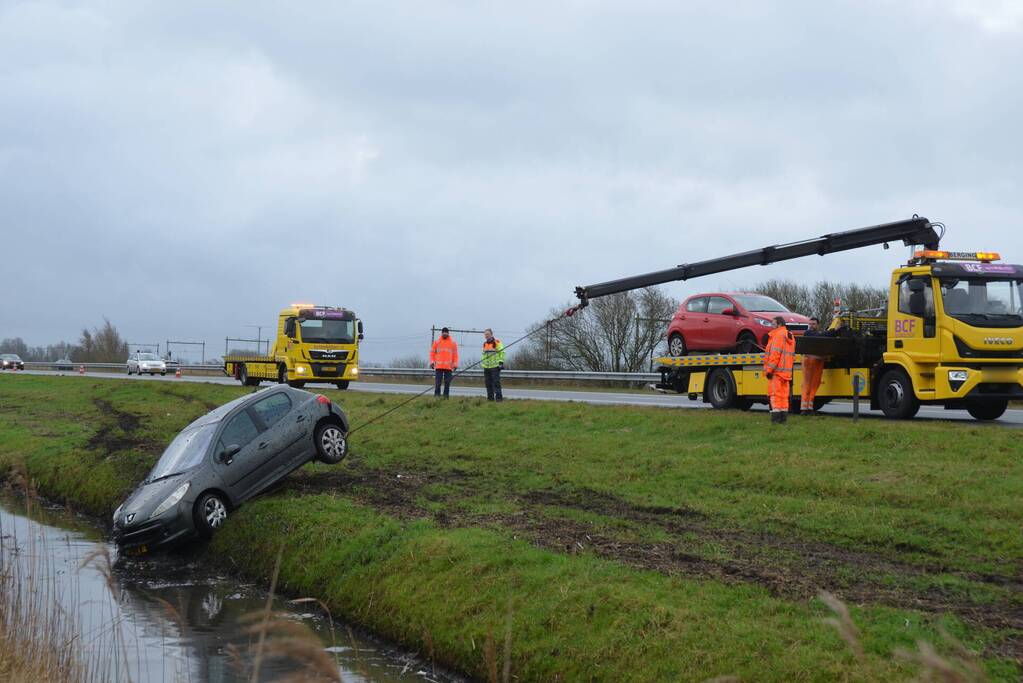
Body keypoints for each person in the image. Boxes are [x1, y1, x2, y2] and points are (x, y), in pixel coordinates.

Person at [763, 316, 795, 424]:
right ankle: (783, 419)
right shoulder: (789, 336)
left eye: (773, 324)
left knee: (775, 396)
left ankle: (776, 420)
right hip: (786, 373)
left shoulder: (778, 336)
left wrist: (769, 370)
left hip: (776, 372)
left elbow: (775, 355)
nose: (771, 326)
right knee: (783, 397)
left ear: (779, 324)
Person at [430, 327, 459, 398]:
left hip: (449, 367)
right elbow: (432, 353)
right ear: (442, 333)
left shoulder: (453, 343)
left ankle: (446, 396)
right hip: (439, 366)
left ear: (448, 334)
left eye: (446, 333)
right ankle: (437, 395)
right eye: (443, 333)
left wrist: (455, 364)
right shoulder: (437, 342)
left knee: (447, 383)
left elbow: (455, 355)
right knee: (438, 383)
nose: (445, 334)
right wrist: (432, 362)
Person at [481, 328, 505, 402]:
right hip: (486, 367)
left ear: (491, 334)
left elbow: (502, 352)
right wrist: (483, 363)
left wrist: (501, 362)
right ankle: (490, 399)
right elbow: (484, 355)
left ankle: (499, 399)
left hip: (495, 366)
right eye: (485, 334)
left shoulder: (497, 342)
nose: (486, 336)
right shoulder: (484, 344)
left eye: (487, 334)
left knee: (496, 383)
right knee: (488, 384)